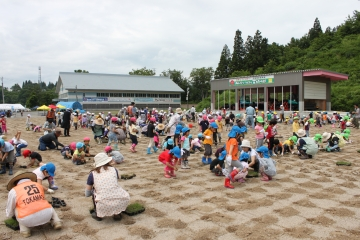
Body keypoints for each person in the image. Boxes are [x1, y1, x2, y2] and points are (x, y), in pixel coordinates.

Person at [6, 171, 62, 237]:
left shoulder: (14, 190)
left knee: (16, 207)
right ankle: (56, 221)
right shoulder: (38, 185)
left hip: (26, 219)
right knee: (45, 203)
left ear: (16, 182)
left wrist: (10, 216)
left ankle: (25, 230)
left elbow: (10, 207)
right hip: (47, 215)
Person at [85, 153, 130, 221]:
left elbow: (87, 193)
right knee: (114, 188)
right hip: (121, 200)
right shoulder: (114, 170)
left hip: (103, 203)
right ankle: (117, 213)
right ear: (108, 161)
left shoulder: (92, 174)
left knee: (94, 192)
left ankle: (98, 215)